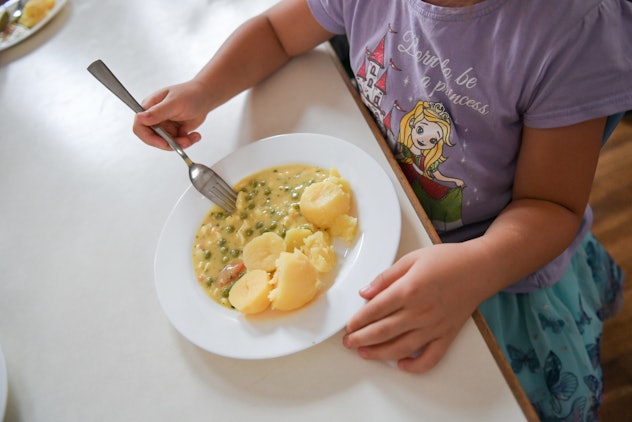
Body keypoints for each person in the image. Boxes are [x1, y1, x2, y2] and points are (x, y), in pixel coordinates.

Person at [133, 0, 632, 419]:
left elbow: (550, 205)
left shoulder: (573, 30)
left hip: (492, 262)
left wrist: (477, 268)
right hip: (383, 219)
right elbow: (276, 33)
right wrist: (205, 88)